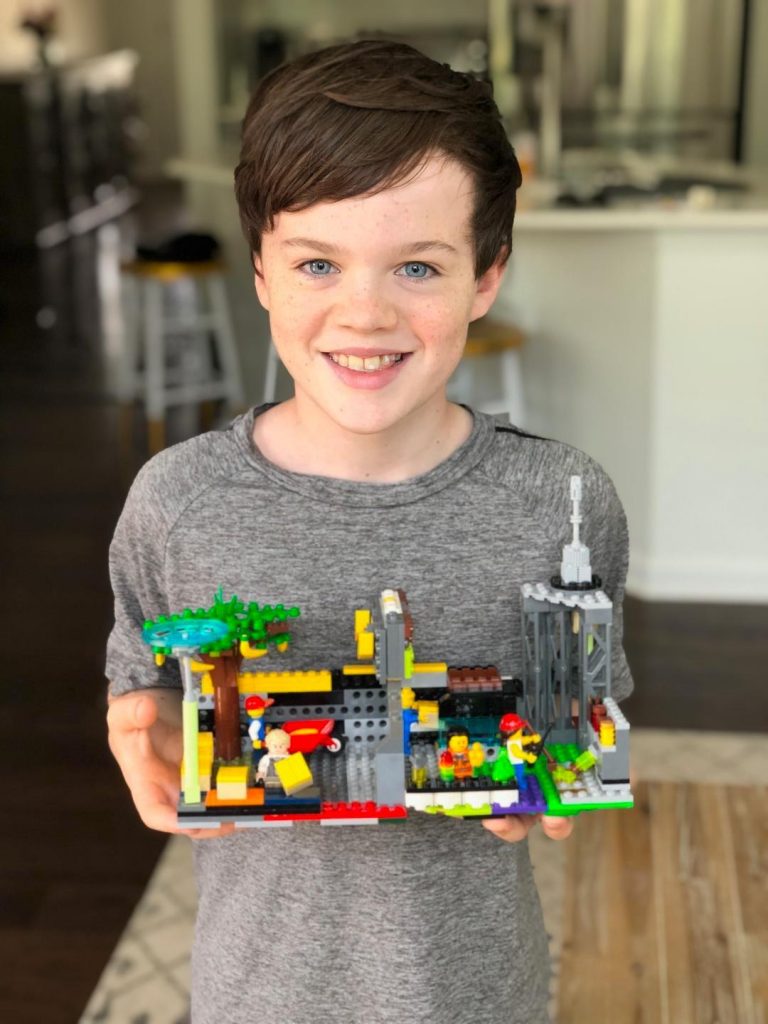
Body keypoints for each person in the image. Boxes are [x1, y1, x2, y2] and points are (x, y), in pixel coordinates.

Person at [106, 40, 633, 1024]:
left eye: (417, 267)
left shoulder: (564, 499)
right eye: (318, 262)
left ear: (486, 277)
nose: (364, 313)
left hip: (480, 993)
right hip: (254, 994)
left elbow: (587, 701)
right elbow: (141, 665)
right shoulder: (175, 500)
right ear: (260, 270)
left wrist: (562, 767)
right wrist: (137, 713)